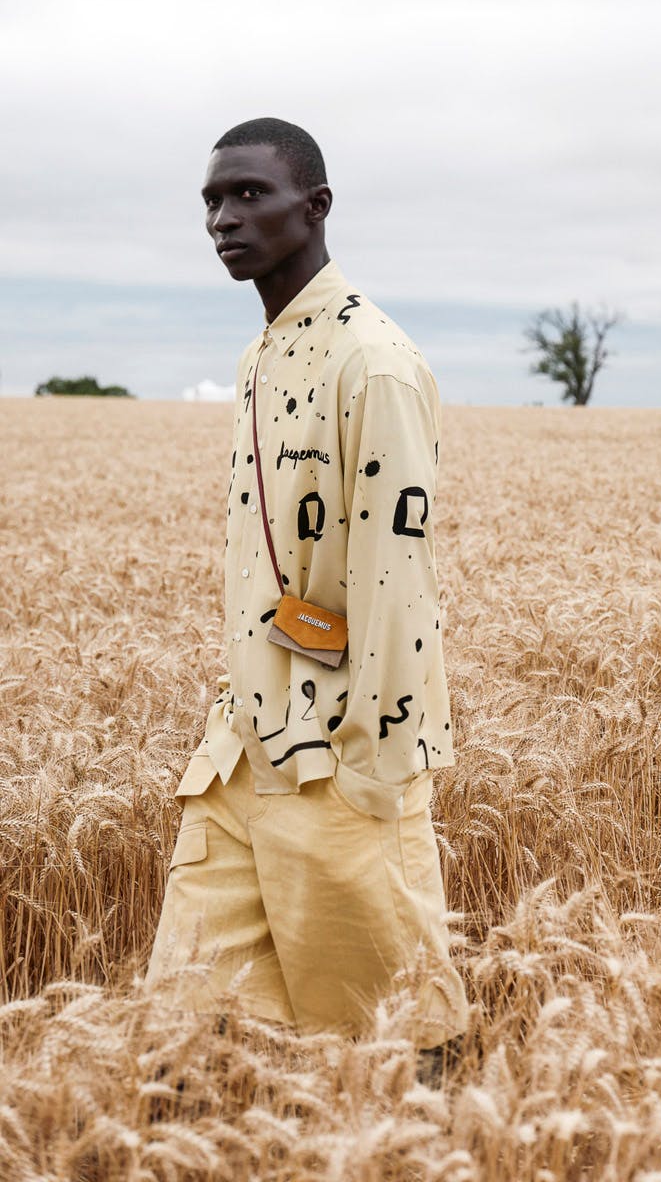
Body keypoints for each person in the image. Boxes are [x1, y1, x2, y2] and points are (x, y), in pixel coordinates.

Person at [144, 117, 468, 1068]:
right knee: (174, 1041)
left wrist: (371, 779)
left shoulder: (373, 361)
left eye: (250, 194)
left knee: (394, 1045)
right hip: (242, 752)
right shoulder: (262, 354)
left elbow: (395, 578)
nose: (223, 219)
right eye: (212, 199)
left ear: (315, 207)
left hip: (338, 761)